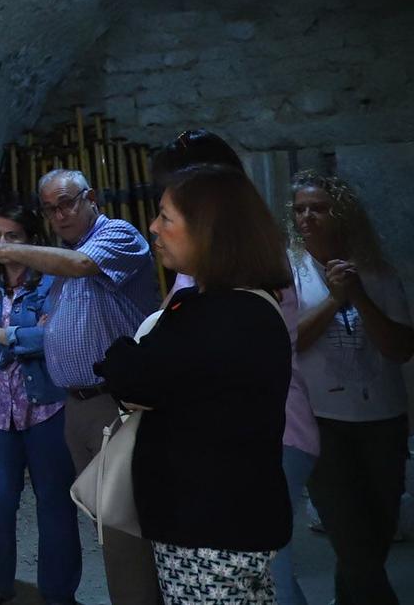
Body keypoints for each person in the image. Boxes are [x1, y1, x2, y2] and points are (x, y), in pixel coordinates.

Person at [0, 168, 161, 605]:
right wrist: (20, 336)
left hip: (107, 399)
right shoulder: (33, 269)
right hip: (69, 402)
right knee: (99, 519)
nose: (60, 214)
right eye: (51, 208)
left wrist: (7, 334)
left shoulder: (111, 238)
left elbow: (74, 276)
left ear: (91, 197)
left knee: (117, 520)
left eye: (66, 203)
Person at [96, 165, 294, 604]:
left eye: (166, 217)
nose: (152, 227)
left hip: (209, 528)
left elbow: (133, 377)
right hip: (225, 520)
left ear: (209, 230)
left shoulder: (221, 317)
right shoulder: (241, 307)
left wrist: (122, 351)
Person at [150, 130, 319, 605]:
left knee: (262, 574)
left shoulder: (235, 283)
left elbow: (160, 361)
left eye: (168, 212)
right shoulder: (217, 268)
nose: (155, 226)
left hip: (266, 436)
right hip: (244, 438)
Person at [290, 170, 413, 605]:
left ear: (341, 213)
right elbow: (288, 341)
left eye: (318, 208)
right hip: (324, 423)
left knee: (376, 535)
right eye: (300, 209)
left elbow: (400, 348)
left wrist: (358, 294)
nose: (307, 216)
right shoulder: (292, 272)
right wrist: (333, 299)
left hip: (383, 420)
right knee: (349, 537)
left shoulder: (377, 272)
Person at [0, 200, 82, 605]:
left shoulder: (50, 282)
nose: (1, 244)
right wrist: (17, 338)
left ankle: (58, 593)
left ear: (30, 241)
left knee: (54, 501)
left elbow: (54, 336)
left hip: (44, 402)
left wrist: (0, 334)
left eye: (12, 237)